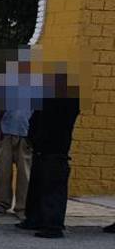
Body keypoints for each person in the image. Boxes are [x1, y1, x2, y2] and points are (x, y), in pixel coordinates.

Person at [19, 69, 80, 239]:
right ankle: (36, 219)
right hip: (48, 146)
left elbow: (38, 118)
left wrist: (33, 136)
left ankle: (51, 224)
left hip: (53, 147)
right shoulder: (62, 100)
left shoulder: (57, 101)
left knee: (51, 188)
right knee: (40, 185)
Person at [0, 103, 33, 219]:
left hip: (26, 133)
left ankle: (23, 207)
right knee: (2, 170)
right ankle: (0, 202)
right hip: (6, 131)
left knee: (25, 173)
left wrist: (34, 135)